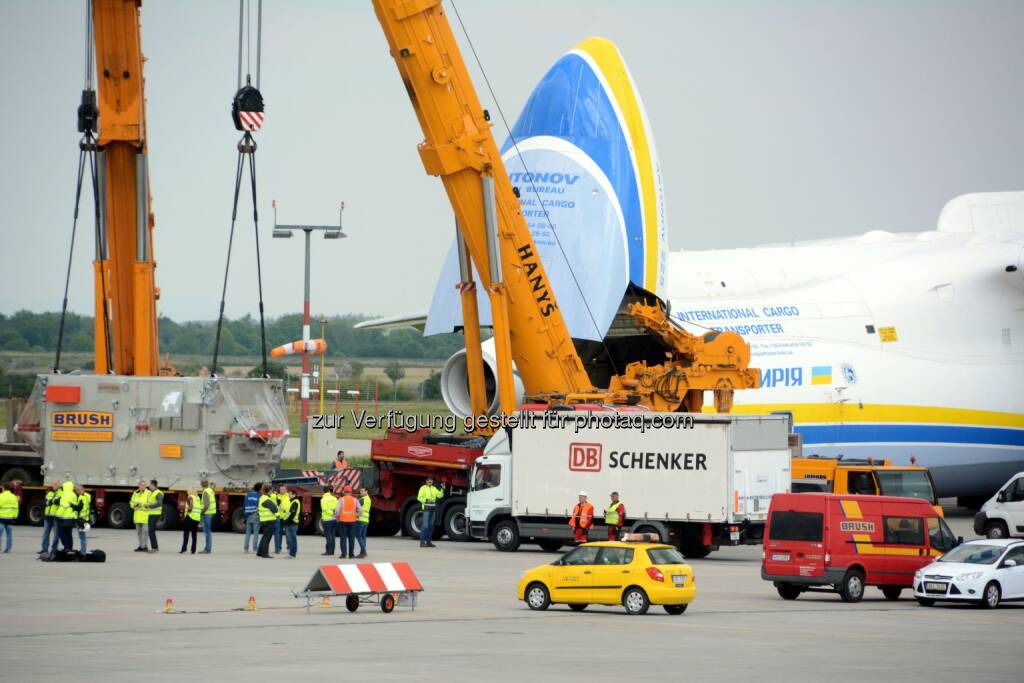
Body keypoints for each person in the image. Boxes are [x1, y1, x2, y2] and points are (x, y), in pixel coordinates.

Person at [335, 485, 362, 559]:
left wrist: (337, 517)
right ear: (351, 492)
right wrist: (357, 515)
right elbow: (360, 510)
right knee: (351, 538)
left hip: (343, 521)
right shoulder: (355, 499)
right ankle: (351, 555)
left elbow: (337, 510)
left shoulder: (341, 499)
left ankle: (343, 554)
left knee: (343, 538)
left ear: (344, 492)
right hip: (352, 521)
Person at [416, 477, 443, 548]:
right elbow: (419, 497)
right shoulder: (423, 488)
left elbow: (440, 495)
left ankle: (428, 542)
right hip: (426, 509)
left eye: (431, 481)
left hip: (433, 509)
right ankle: (422, 542)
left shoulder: (434, 488)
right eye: (429, 481)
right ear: (426, 481)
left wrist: (442, 489)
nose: (430, 481)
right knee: (425, 526)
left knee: (430, 526)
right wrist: (426, 500)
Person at [255, 484, 279, 558]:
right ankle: (265, 553)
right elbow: (275, 509)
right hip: (269, 521)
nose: (272, 491)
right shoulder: (266, 499)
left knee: (264, 537)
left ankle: (260, 552)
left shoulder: (263, 498)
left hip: (264, 521)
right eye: (271, 490)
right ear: (269, 491)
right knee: (267, 538)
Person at [39, 480, 61, 556]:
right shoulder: (50, 493)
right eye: (53, 484)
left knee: (56, 535)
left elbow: (59, 502)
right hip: (47, 516)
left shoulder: (61, 493)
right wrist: (51, 501)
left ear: (59, 485)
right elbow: (44, 502)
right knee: (45, 534)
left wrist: (51, 502)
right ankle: (44, 549)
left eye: (55, 484)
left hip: (56, 517)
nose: (53, 486)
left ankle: (54, 550)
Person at [56, 480, 78, 552]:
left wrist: (57, 515)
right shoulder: (73, 494)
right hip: (72, 517)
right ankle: (69, 547)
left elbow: (63, 506)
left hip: (65, 518)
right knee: (69, 534)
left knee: (62, 534)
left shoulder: (66, 494)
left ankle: (66, 547)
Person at [130, 480, 150, 552]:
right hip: (137, 516)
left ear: (146, 486)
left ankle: (145, 546)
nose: (142, 486)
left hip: (145, 516)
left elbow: (150, 503)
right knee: (139, 532)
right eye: (141, 485)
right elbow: (131, 503)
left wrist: (142, 504)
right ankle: (140, 546)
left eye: (144, 485)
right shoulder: (135, 493)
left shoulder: (148, 493)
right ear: (139, 485)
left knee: (145, 531)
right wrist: (134, 505)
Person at [180, 488, 200, 554]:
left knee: (186, 533)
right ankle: (193, 550)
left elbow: (191, 504)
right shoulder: (198, 498)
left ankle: (184, 548)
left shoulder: (190, 496)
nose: (187, 492)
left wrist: (189, 510)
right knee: (194, 535)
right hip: (196, 518)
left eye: (188, 491)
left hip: (190, 517)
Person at [243, 483, 261, 553]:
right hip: (255, 514)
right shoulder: (258, 496)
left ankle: (246, 548)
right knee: (255, 532)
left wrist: (246, 515)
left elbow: (244, 505)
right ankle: (255, 548)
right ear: (259, 489)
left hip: (248, 515)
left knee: (248, 533)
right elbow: (259, 505)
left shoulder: (247, 495)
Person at [0, 484, 19, 553]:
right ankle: (8, 549)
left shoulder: (1, 496)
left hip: (1, 518)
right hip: (10, 518)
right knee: (9, 534)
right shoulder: (13, 497)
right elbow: (16, 508)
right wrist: (14, 517)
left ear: (4, 488)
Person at [282, 491, 301, 558]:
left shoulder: (295, 502)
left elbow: (292, 514)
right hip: (291, 523)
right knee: (291, 539)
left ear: (294, 494)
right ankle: (291, 554)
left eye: (290, 494)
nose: (289, 495)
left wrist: (286, 520)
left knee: (292, 539)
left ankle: (292, 554)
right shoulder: (293, 501)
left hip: (292, 523)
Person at [320, 486, 338, 556]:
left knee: (328, 536)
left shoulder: (323, 499)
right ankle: (332, 551)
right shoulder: (334, 498)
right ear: (330, 491)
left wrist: (331, 514)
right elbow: (337, 509)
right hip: (334, 519)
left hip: (327, 520)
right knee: (333, 536)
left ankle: (328, 551)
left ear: (324, 491)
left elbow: (324, 509)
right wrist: (334, 515)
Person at [146, 479, 163, 553]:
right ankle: (155, 547)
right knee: (151, 530)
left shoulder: (159, 493)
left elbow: (159, 503)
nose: (149, 486)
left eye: (150, 485)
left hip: (156, 514)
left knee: (151, 530)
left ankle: (154, 547)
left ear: (154, 485)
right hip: (151, 513)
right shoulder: (151, 493)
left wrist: (150, 505)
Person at [200, 479, 216, 554]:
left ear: (201, 484)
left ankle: (207, 549)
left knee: (207, 532)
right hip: (211, 512)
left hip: (207, 513)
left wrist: (201, 512)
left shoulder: (205, 492)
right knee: (208, 531)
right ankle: (208, 548)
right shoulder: (210, 490)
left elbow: (206, 505)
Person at [355, 485, 371, 558]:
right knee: (363, 537)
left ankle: (363, 551)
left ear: (366, 491)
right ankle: (362, 552)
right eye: (360, 491)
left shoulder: (362, 499)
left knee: (358, 536)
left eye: (362, 491)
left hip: (360, 520)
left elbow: (355, 506)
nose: (360, 492)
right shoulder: (368, 499)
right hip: (366, 520)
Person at [75, 485, 91, 554]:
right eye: (76, 490)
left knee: (82, 536)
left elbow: (80, 508)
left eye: (77, 490)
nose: (77, 491)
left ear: (81, 489)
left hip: (81, 519)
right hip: (86, 519)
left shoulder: (82, 497)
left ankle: (83, 551)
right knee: (83, 536)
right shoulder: (87, 496)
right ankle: (83, 550)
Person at [273, 485, 289, 555]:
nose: (282, 491)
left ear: (286, 490)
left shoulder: (288, 497)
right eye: (281, 489)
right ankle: (278, 548)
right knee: (278, 533)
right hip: (279, 517)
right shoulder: (277, 497)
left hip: (286, 518)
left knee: (288, 534)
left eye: (283, 489)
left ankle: (289, 548)